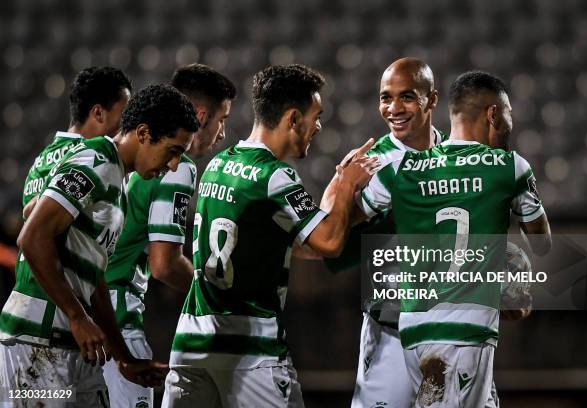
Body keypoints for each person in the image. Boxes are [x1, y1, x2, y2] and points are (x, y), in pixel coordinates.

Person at [162, 64, 378, 408]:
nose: (318, 127)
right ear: (293, 118)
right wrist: (350, 184)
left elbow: (299, 244)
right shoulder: (274, 175)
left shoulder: (218, 164)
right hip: (251, 354)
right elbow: (329, 245)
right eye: (315, 116)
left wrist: (337, 183)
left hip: (190, 346)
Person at [357, 71, 551, 407]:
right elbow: (542, 241)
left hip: (414, 330)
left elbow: (349, 218)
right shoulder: (510, 167)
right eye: (507, 116)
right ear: (493, 113)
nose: (509, 125)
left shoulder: (402, 169)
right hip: (464, 334)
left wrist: (340, 184)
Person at [0, 84, 199, 407]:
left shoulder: (118, 182)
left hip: (73, 348)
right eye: (173, 150)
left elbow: (94, 278)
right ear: (144, 133)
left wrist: (123, 357)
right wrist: (77, 316)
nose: (174, 165)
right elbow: (32, 237)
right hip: (35, 343)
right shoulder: (95, 162)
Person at [102, 64, 236, 408]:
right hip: (116, 320)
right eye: (222, 120)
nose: (222, 134)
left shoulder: (119, 152)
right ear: (201, 115)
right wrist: (219, 298)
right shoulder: (180, 168)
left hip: (86, 316)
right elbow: (165, 264)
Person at [319, 57, 445, 408]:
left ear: (431, 100)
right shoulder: (375, 163)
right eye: (385, 97)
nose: (393, 107)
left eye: (406, 96)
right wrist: (340, 186)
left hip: (448, 326)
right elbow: (326, 231)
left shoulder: (454, 155)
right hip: (391, 329)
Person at [22, 66, 132, 212]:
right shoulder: (93, 159)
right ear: (98, 113)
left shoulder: (38, 165)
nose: (129, 123)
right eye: (124, 114)